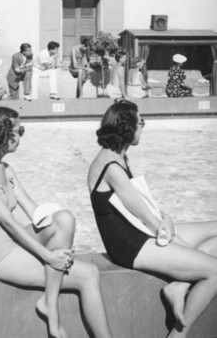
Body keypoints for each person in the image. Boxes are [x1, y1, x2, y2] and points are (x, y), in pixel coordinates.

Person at [0, 106, 113, 338]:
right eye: (19, 130)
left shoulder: (6, 169)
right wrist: (48, 256)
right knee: (89, 274)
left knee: (64, 218)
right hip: (1, 257)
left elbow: (36, 212)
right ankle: (53, 308)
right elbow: (8, 223)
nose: (21, 135)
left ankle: (49, 302)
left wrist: (66, 238)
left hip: (16, 244)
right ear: (3, 133)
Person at [88, 100, 217, 338]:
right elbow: (145, 217)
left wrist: (165, 218)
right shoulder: (111, 166)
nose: (143, 127)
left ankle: (180, 285)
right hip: (130, 245)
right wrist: (169, 231)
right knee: (214, 270)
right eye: (141, 122)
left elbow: (145, 206)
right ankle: (178, 335)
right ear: (127, 127)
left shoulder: (118, 156)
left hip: (139, 230)